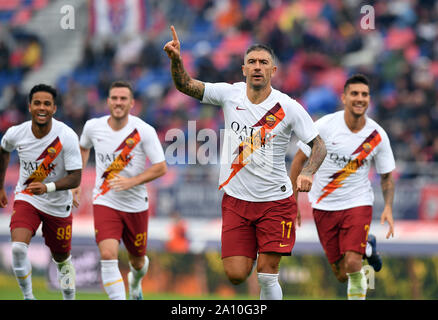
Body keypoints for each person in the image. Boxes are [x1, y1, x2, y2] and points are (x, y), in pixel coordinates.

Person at [163, 26, 327, 300]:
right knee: (236, 274)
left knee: (266, 272)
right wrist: (177, 60)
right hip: (236, 200)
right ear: (243, 69)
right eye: (252, 62)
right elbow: (186, 85)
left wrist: (308, 172)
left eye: (264, 63)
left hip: (275, 201)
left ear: (274, 71)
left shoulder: (288, 107)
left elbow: (318, 145)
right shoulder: (230, 94)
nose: (257, 67)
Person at [290, 74, 395, 300]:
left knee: (353, 263)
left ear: (369, 99)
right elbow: (298, 160)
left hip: (358, 203)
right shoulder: (325, 126)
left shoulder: (377, 135)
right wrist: (293, 201)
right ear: (344, 98)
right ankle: (368, 247)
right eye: (354, 94)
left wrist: (388, 207)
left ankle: (361, 254)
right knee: (340, 273)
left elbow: (386, 176)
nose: (360, 98)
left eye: (364, 94)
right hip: (323, 205)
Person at [73, 81, 167, 300]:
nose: (118, 102)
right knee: (107, 254)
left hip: (136, 204)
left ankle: (135, 282)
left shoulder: (144, 131)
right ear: (108, 101)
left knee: (138, 261)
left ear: (132, 103)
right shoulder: (93, 127)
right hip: (105, 200)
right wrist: (76, 181)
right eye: (114, 98)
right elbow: (83, 147)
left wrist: (132, 181)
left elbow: (161, 167)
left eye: (123, 98)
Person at [0, 84, 82, 300]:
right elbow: (3, 149)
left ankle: (69, 297)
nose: (42, 107)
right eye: (37, 103)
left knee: (62, 259)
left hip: (58, 204)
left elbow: (76, 177)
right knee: (18, 248)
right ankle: (29, 297)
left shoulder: (67, 136)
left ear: (54, 108)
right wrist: (1, 186)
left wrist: (48, 187)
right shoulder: (16, 133)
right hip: (28, 198)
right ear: (30, 107)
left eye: (47, 103)